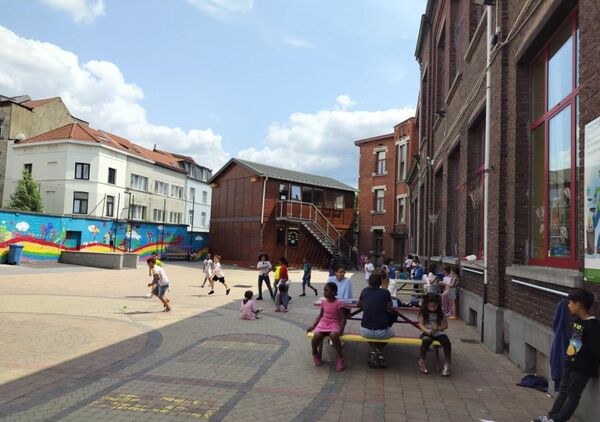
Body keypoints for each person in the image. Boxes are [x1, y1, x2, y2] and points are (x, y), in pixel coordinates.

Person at [532, 289, 600, 422]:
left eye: (570, 303)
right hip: (571, 364)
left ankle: (558, 420)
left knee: (573, 395)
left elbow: (596, 350)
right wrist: (568, 361)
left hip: (582, 368)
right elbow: (574, 345)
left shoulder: (593, 326)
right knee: (563, 392)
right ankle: (551, 417)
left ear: (578, 305)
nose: (568, 306)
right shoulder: (578, 322)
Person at [357, 272, 395, 368]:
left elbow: (358, 305)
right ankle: (379, 352)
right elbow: (390, 307)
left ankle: (374, 351)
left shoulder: (364, 291)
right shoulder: (385, 292)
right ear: (381, 283)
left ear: (369, 282)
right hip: (382, 332)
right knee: (392, 333)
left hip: (365, 331)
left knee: (371, 334)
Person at [307, 281, 346, 371]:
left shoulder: (338, 303)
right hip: (324, 323)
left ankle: (340, 358)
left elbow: (343, 318)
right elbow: (321, 315)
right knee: (316, 335)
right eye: (324, 290)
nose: (324, 292)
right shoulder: (323, 302)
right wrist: (313, 326)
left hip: (334, 323)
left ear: (333, 292)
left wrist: (341, 329)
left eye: (326, 290)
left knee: (333, 335)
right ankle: (314, 353)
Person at [417, 293, 451, 376]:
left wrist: (438, 328)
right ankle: (421, 361)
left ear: (438, 305)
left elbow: (445, 326)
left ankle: (447, 364)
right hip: (426, 331)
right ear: (426, 305)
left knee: (446, 342)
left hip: (439, 332)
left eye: (434, 306)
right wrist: (426, 330)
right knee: (426, 340)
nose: (432, 308)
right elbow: (420, 324)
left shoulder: (441, 312)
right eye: (430, 306)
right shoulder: (423, 312)